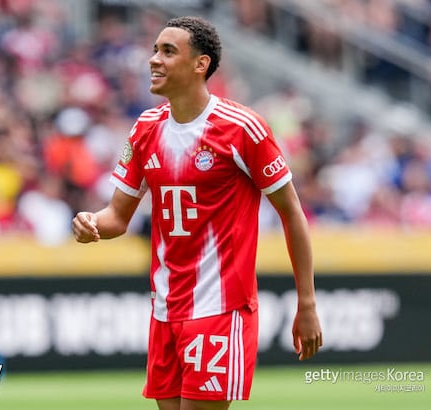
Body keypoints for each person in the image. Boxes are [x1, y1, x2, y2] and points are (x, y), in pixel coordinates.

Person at [72, 16, 323, 410]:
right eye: (155, 50)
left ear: (200, 64)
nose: (154, 59)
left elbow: (292, 213)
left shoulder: (242, 128)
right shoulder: (145, 129)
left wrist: (306, 303)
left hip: (220, 308)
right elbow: (117, 217)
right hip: (164, 310)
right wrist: (92, 223)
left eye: (168, 51)